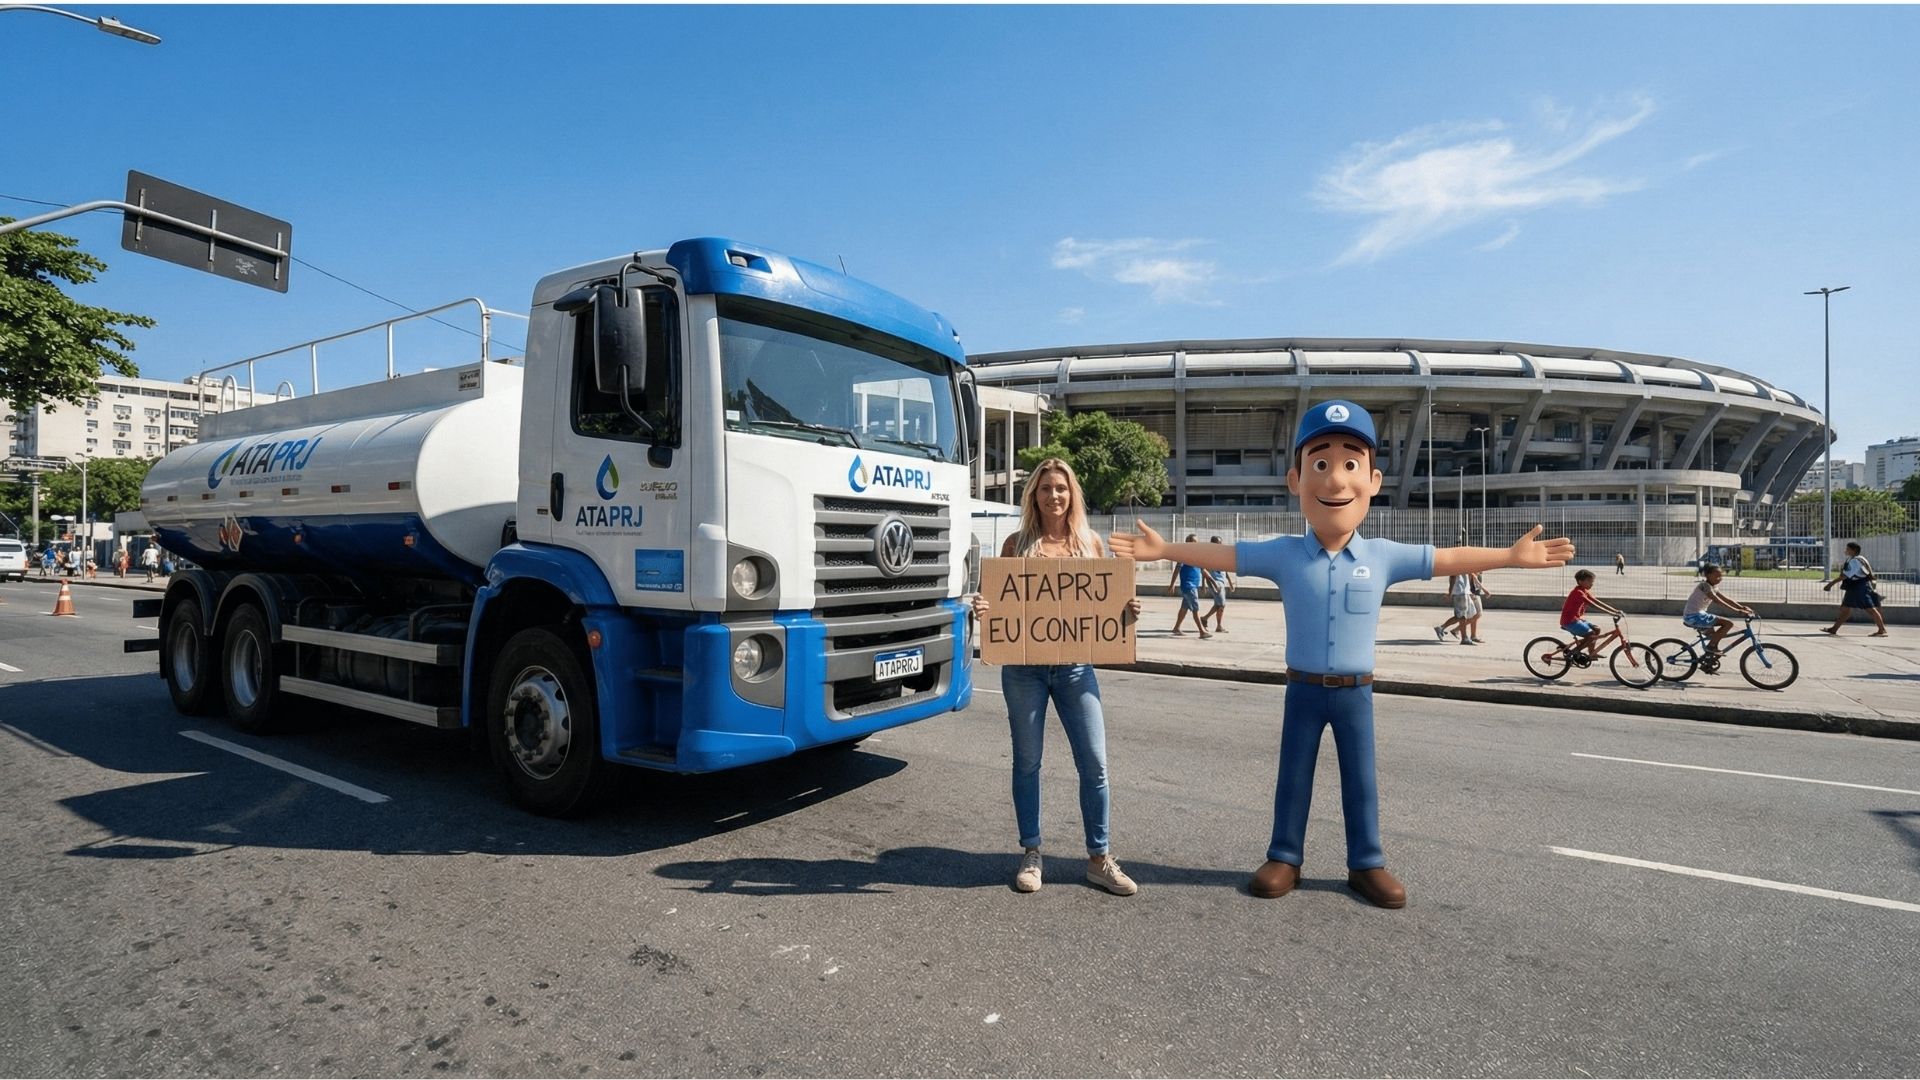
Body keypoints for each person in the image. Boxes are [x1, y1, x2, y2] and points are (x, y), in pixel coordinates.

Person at [1110, 400, 1573, 909]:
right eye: (1321, 465)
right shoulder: (1284, 553)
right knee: (1294, 773)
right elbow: (1227, 555)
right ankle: (1284, 855)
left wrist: (1509, 556)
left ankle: (1367, 862)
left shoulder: (1383, 556)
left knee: (1361, 778)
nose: (1335, 482)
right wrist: (1167, 550)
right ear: (1295, 480)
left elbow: (1446, 559)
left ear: (1373, 480)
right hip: (1303, 688)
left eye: (1351, 465)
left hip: (1357, 692)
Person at [972, 457, 1144, 897]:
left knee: (1095, 763)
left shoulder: (1091, 545)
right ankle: (1031, 852)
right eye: (1046, 488)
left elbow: (1104, 608)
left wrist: (1126, 613)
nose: (1054, 495)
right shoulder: (1016, 544)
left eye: (1061, 488)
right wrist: (986, 610)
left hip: (1075, 669)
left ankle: (1099, 858)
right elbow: (1000, 602)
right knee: (1028, 763)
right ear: (1034, 495)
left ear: (1073, 495)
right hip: (1023, 671)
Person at [1683, 563, 1754, 657]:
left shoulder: (1713, 587)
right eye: (1716, 576)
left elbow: (1726, 599)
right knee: (1728, 624)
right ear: (1707, 575)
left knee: (1714, 637)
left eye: (1720, 576)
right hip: (1694, 616)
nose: (1719, 579)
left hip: (1698, 615)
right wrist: (1737, 611)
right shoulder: (1704, 586)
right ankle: (1710, 648)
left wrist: (1741, 607)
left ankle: (1708, 659)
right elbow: (1717, 601)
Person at [1821, 541, 1889, 637]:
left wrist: (1830, 584)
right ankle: (1834, 629)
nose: (1846, 550)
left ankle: (1882, 630)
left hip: (1859, 587)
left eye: (1848, 549)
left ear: (1854, 550)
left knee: (1870, 609)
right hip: (1855, 587)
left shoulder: (1855, 561)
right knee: (1845, 609)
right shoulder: (1857, 559)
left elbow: (1845, 576)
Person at [1560, 569, 1623, 660]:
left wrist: (1615, 610)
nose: (1591, 584)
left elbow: (1596, 601)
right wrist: (1610, 613)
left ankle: (1591, 653)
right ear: (1580, 581)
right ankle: (1573, 652)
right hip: (1569, 621)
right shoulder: (1578, 593)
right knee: (1591, 635)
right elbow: (1593, 605)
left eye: (1592, 581)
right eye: (1589, 581)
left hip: (1576, 619)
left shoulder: (1584, 591)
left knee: (1597, 630)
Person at [1167, 534, 1212, 639]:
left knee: (1184, 608)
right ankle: (1202, 631)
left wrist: (1208, 582)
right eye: (1194, 542)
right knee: (1195, 608)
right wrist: (1172, 584)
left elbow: (1202, 569)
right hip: (1188, 586)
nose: (1196, 544)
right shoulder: (1184, 555)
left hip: (1194, 585)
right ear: (1189, 543)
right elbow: (1177, 569)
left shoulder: (1197, 555)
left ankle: (1176, 628)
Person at [1434, 572, 1480, 644]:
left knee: (1471, 615)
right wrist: (1450, 593)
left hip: (1465, 591)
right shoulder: (1458, 564)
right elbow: (1453, 576)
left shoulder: (1464, 563)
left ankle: (1441, 628)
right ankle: (1464, 638)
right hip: (1459, 592)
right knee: (1462, 616)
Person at [1204, 536, 1235, 633]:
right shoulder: (1209, 555)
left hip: (1221, 582)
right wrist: (1204, 584)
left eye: (1220, 543)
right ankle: (1218, 626)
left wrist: (1230, 582)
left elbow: (1225, 570)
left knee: (1219, 605)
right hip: (1214, 582)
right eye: (1218, 543)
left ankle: (1205, 618)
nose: (1220, 545)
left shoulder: (1222, 555)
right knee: (1221, 604)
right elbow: (1204, 569)